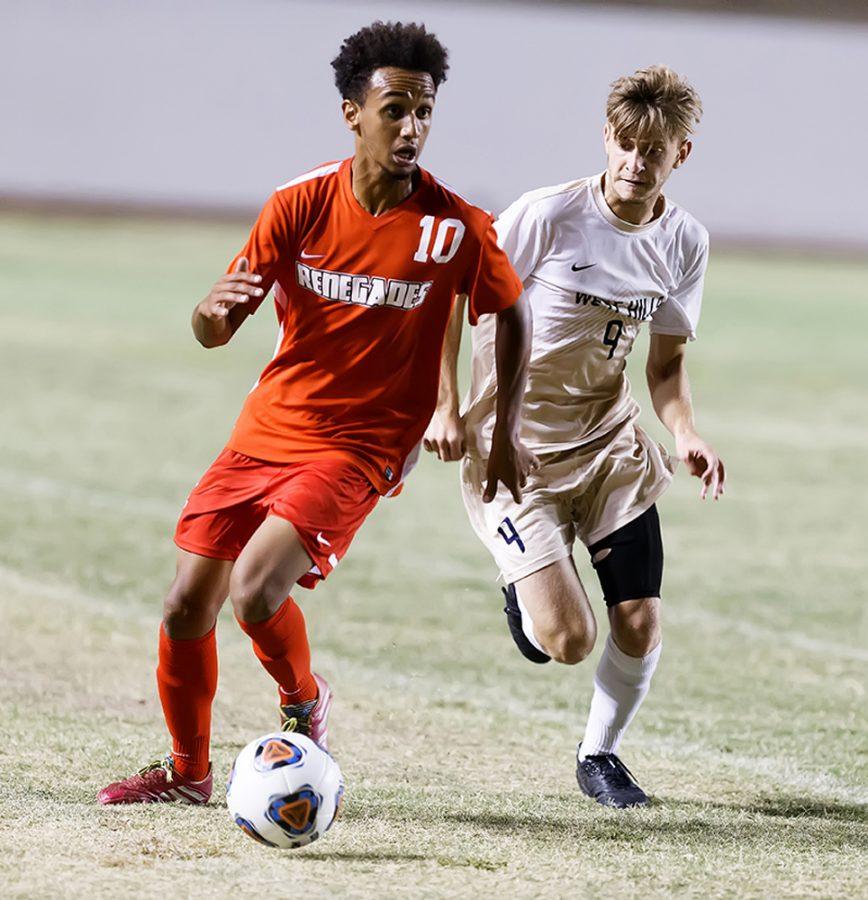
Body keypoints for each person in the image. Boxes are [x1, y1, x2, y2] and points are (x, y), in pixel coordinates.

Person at [98, 20, 533, 806]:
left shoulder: (456, 226)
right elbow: (215, 329)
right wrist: (206, 311)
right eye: (395, 109)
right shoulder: (298, 204)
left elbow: (511, 313)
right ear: (352, 113)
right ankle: (190, 773)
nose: (413, 128)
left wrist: (499, 434)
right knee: (185, 601)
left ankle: (304, 699)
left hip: (363, 446)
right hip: (269, 427)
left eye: (425, 111)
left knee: (257, 589)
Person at [424, 65, 725, 808]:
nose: (634, 163)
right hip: (513, 449)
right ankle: (522, 588)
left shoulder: (684, 242)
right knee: (567, 640)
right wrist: (446, 407)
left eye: (653, 151)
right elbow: (449, 300)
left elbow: (666, 364)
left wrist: (684, 430)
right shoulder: (547, 215)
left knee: (641, 619)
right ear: (606, 137)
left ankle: (600, 756)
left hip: (609, 443)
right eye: (624, 145)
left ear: (680, 154)